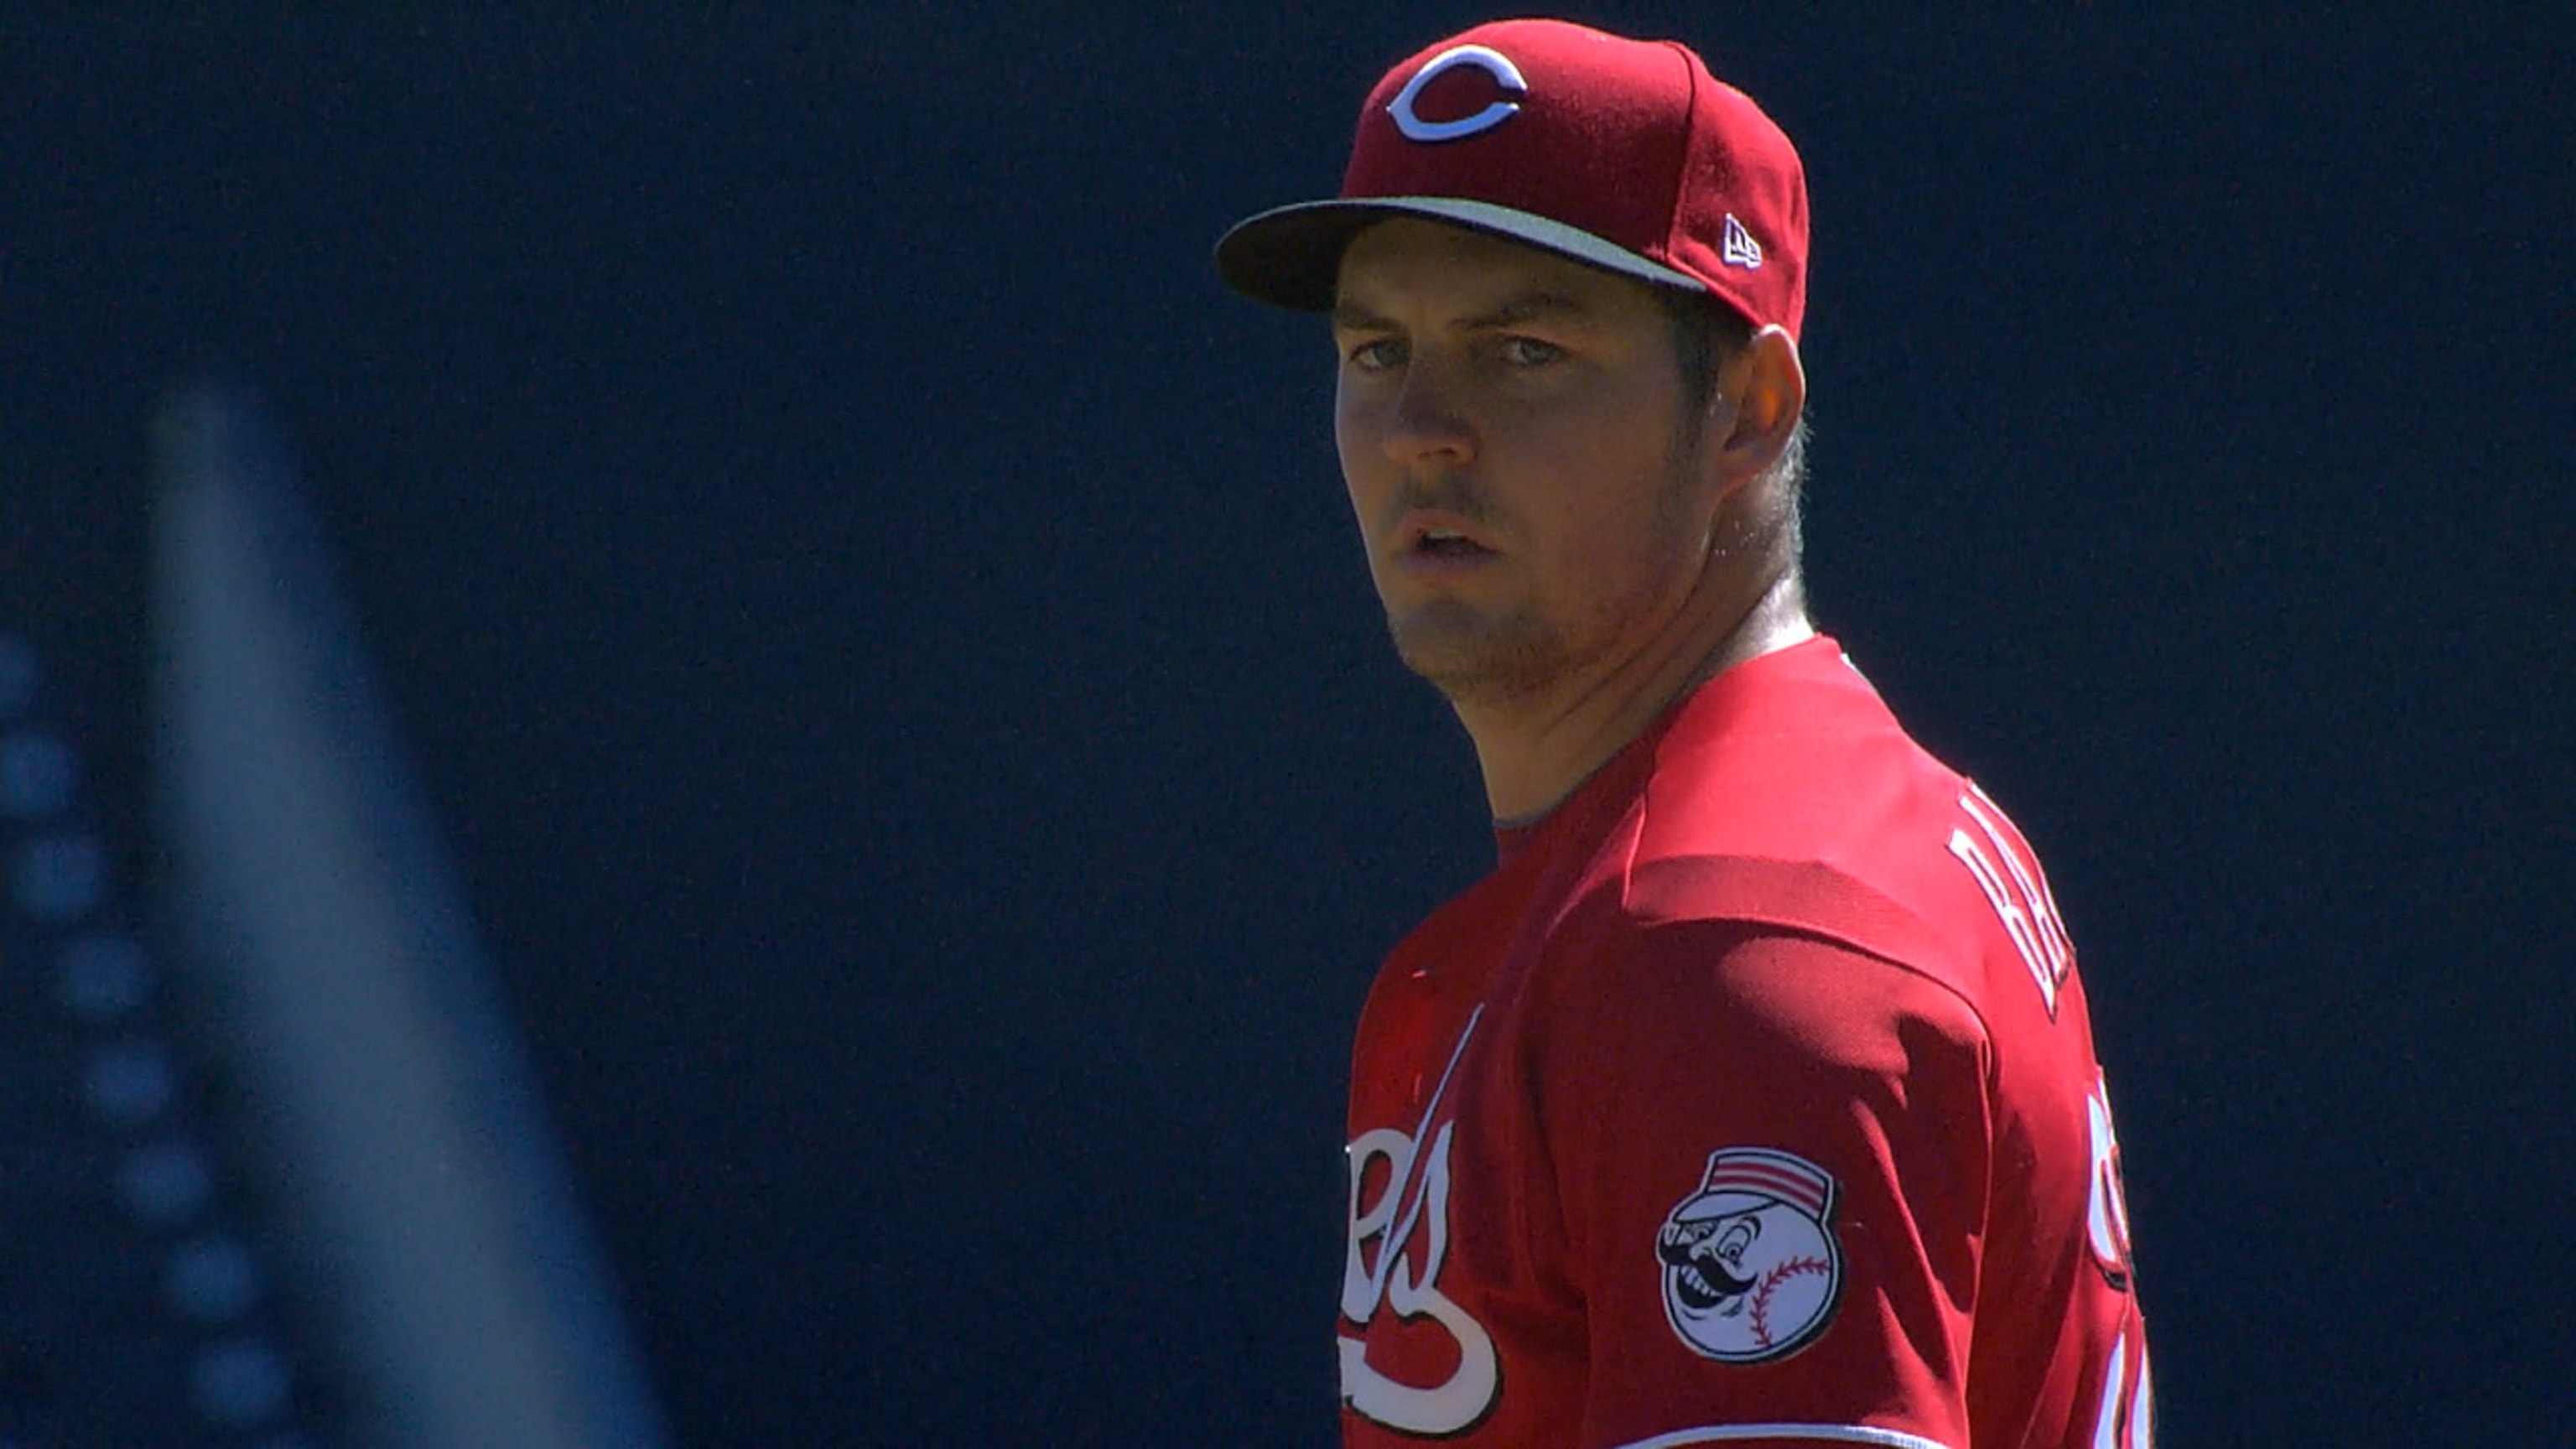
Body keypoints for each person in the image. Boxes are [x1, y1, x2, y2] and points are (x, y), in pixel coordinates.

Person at [1214, 18, 2151, 1449]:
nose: (1420, 426)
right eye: (1376, 348)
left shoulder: (1736, 950)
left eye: (1523, 348)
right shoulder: (1819, 815)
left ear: (1748, 413)